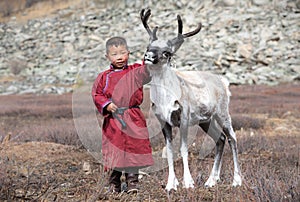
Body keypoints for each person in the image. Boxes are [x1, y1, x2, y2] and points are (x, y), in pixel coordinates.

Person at [92, 36, 154, 194]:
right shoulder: (103, 77)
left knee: (133, 149)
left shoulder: (135, 71)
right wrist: (107, 104)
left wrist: (148, 59)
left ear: (129, 53)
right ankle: (114, 184)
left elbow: (146, 72)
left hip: (133, 116)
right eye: (114, 54)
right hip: (114, 118)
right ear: (107, 56)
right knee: (115, 150)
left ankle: (132, 182)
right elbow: (97, 94)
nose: (119, 57)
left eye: (123, 53)